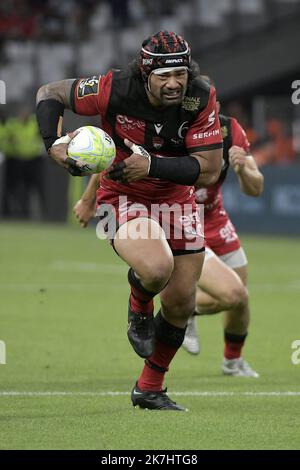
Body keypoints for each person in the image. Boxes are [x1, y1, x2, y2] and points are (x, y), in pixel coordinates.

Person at [36, 31, 223, 410]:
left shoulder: (200, 97)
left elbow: (208, 171)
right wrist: (52, 144)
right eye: (163, 76)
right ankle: (138, 308)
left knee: (182, 301)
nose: (174, 83)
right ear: (145, 73)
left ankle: (149, 388)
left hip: (177, 199)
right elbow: (49, 92)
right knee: (156, 268)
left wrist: (151, 165)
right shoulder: (114, 88)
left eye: (180, 74)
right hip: (119, 195)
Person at [182, 81, 264, 378]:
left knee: (240, 295)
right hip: (182, 219)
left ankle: (232, 361)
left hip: (215, 218)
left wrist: (243, 170)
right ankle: (176, 312)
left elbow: (256, 188)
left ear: (215, 105)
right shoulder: (175, 131)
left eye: (211, 105)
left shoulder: (231, 131)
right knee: (232, 294)